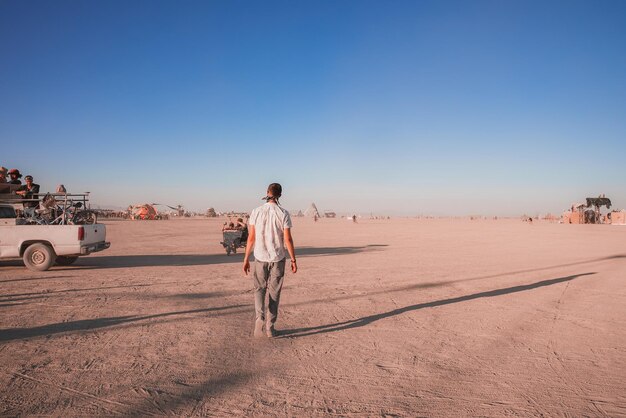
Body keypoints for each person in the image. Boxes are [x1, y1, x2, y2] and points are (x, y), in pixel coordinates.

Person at [243, 183, 297, 338]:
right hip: (278, 257)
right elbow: (287, 239)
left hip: (260, 257)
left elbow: (251, 238)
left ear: (267, 193)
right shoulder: (283, 213)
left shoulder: (256, 212)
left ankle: (259, 317)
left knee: (259, 289)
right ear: (280, 195)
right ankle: (270, 328)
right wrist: (293, 260)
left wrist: (246, 258)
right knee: (274, 292)